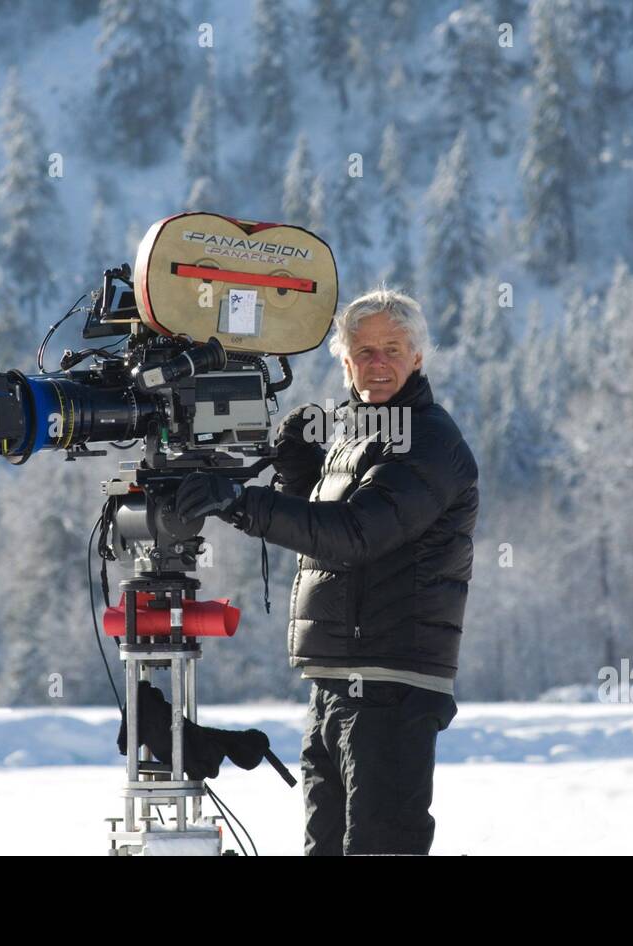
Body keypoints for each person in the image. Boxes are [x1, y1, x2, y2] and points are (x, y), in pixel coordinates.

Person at [174, 285, 479, 855]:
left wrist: (240, 502)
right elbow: (321, 543)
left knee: (379, 847)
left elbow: (356, 535)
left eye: (393, 348)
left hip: (393, 682)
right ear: (344, 360)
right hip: (335, 679)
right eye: (364, 351)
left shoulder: (430, 440)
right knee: (325, 848)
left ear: (418, 357)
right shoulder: (352, 435)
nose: (378, 363)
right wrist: (297, 474)